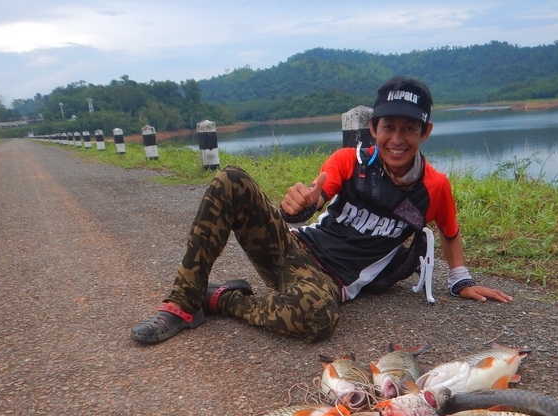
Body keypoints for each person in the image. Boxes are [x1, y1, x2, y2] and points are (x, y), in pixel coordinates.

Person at [131, 76, 512, 345]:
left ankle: (219, 299)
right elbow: (318, 192)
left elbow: (450, 232)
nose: (397, 139)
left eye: (409, 129)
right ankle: (183, 302)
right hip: (293, 249)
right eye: (389, 127)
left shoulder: (435, 186)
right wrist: (301, 204)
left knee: (316, 317)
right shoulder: (350, 160)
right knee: (230, 179)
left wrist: (460, 280)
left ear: (425, 132)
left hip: (329, 284)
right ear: (374, 128)